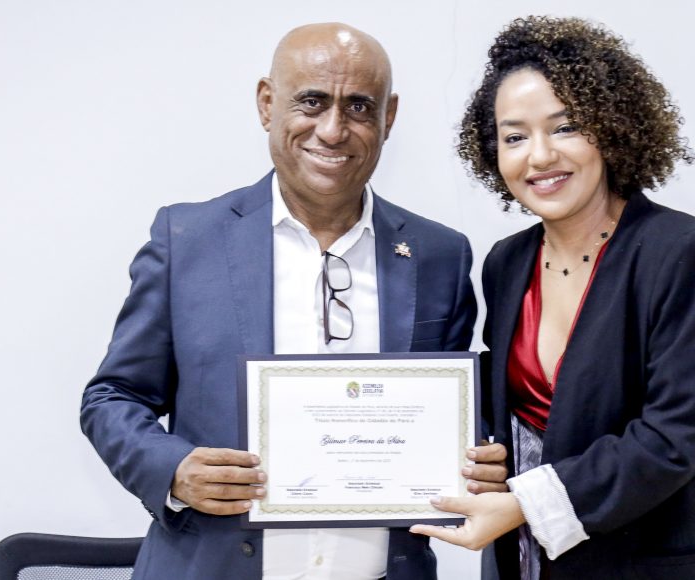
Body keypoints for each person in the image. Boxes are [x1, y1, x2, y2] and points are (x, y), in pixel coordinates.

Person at [80, 22, 500, 580]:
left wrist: (482, 460)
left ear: (388, 117)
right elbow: (112, 396)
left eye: (358, 106)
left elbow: (457, 420)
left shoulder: (439, 255)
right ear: (267, 103)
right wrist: (173, 470)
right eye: (311, 102)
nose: (332, 129)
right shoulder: (187, 241)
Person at [410, 16, 695, 579]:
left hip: (673, 563)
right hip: (546, 562)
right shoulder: (506, 263)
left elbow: (675, 437)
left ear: (610, 128)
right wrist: (487, 458)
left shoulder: (683, 251)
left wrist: (522, 503)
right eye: (514, 136)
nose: (538, 156)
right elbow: (525, 418)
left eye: (564, 127)